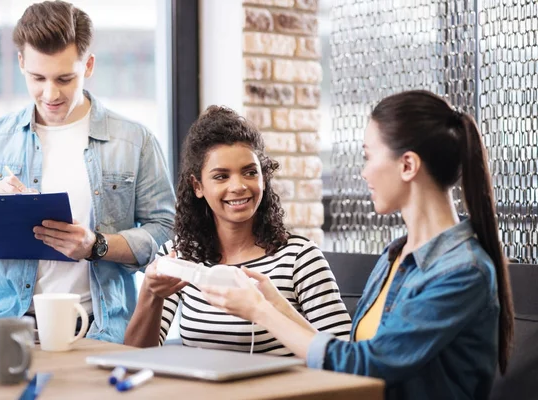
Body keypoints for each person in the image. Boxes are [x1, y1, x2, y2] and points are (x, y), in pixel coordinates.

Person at [200, 90, 514, 399]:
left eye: (368, 156)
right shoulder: (396, 255)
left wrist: (259, 313)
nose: (364, 172)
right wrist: (272, 303)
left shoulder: (462, 272)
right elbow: (348, 356)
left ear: (407, 165)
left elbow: (367, 366)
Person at [0, 1, 175, 343]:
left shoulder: (134, 140)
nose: (50, 93)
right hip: (7, 333)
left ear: (89, 65)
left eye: (65, 78)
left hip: (101, 333)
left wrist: (97, 245)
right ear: (21, 62)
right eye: (37, 78)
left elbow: (168, 235)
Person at [124, 106, 351, 354]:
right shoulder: (180, 257)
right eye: (221, 176)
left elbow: (343, 357)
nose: (239, 186)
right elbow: (138, 354)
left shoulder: (299, 258)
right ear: (197, 185)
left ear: (263, 177)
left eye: (250, 172)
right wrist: (150, 293)